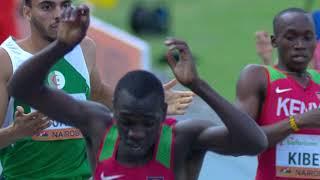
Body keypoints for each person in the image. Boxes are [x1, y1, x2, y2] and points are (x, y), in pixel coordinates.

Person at [8, 5, 268, 180]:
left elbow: (255, 142)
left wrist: (199, 86)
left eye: (148, 124)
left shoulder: (182, 139)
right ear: (115, 114)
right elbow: (22, 88)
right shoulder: (98, 125)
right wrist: (61, 47)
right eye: (127, 122)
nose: (135, 133)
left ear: (164, 115)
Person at [0, 0, 194, 179]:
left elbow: (99, 92)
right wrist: (15, 132)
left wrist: (147, 104)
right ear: (27, 12)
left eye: (65, 5)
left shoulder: (84, 49)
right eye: (47, 7)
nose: (58, 14)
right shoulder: (7, 59)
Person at [238, 8, 320, 179]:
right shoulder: (258, 77)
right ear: (274, 41)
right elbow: (242, 140)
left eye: (308, 38)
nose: (300, 45)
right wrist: (297, 121)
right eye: (291, 37)